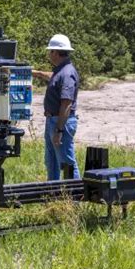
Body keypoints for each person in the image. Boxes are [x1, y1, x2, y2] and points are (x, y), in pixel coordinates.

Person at [32, 34, 80, 181]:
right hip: (53, 120)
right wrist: (30, 71)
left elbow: (66, 104)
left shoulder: (67, 74)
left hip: (61, 122)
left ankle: (75, 197)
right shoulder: (61, 71)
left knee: (66, 161)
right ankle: (53, 194)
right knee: (51, 161)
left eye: (50, 51)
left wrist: (59, 130)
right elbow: (49, 76)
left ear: (55, 52)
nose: (49, 54)